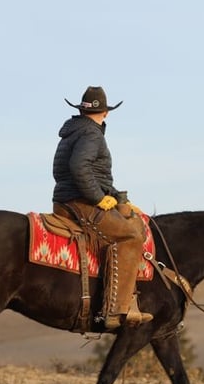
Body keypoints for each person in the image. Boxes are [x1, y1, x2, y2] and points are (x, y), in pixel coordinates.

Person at [52, 86, 153, 330]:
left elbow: (95, 174)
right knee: (131, 234)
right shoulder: (92, 135)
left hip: (70, 198)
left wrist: (119, 198)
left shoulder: (75, 131)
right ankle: (115, 310)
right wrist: (98, 198)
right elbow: (79, 168)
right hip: (80, 202)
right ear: (106, 112)